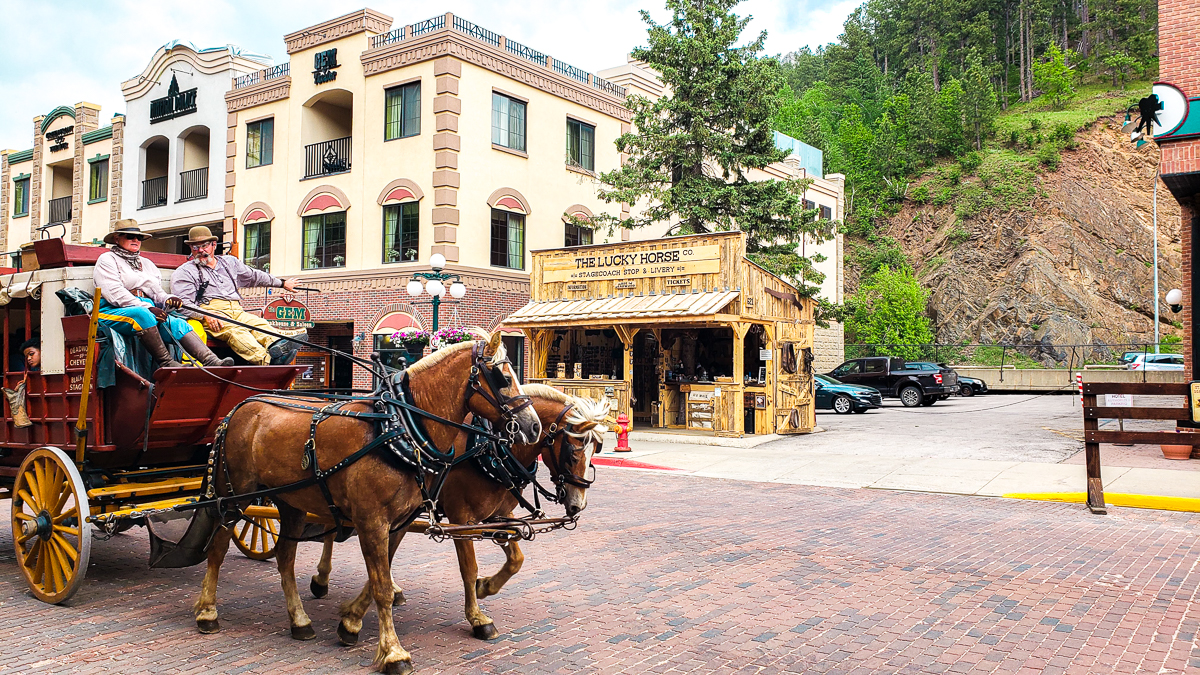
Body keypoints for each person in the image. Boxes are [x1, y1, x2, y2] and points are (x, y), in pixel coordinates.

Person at [93, 221, 233, 368]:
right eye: (130, 236)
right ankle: (167, 363)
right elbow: (114, 292)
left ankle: (212, 361)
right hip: (109, 310)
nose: (135, 240)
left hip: (145, 309)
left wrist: (168, 299)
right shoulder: (107, 260)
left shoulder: (147, 263)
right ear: (117, 238)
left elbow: (156, 291)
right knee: (142, 314)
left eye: (138, 238)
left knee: (178, 323)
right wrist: (147, 307)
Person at [170, 225, 305, 365]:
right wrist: (206, 315)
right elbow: (183, 304)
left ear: (214, 245)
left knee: (258, 323)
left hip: (237, 309)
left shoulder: (229, 262)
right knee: (237, 332)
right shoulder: (185, 272)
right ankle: (268, 361)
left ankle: (277, 346)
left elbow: (254, 276)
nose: (200, 251)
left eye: (204, 246)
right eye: (195, 247)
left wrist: (282, 284)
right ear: (191, 249)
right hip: (211, 312)